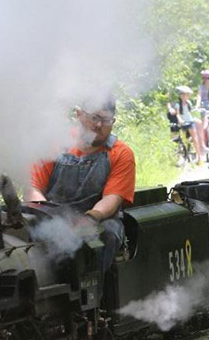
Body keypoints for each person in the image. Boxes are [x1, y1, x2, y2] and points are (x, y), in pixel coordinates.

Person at [28, 96, 135, 279]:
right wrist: (45, 218)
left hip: (98, 218)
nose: (99, 125)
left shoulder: (121, 153)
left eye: (106, 120)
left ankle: (92, 299)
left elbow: (111, 198)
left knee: (106, 235)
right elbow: (33, 187)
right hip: (50, 215)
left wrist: (90, 217)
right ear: (79, 115)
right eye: (94, 118)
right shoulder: (56, 144)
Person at [174, 85, 204, 163]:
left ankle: (199, 156)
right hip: (183, 122)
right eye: (183, 94)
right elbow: (177, 114)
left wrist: (193, 118)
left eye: (186, 95)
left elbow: (189, 113)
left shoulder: (189, 103)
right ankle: (183, 155)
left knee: (195, 138)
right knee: (183, 139)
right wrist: (180, 120)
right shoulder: (177, 104)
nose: (184, 96)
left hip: (190, 121)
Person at [197, 69, 209, 150]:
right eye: (205, 78)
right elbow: (199, 97)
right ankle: (202, 145)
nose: (207, 80)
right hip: (204, 107)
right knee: (203, 126)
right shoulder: (201, 87)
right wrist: (197, 105)